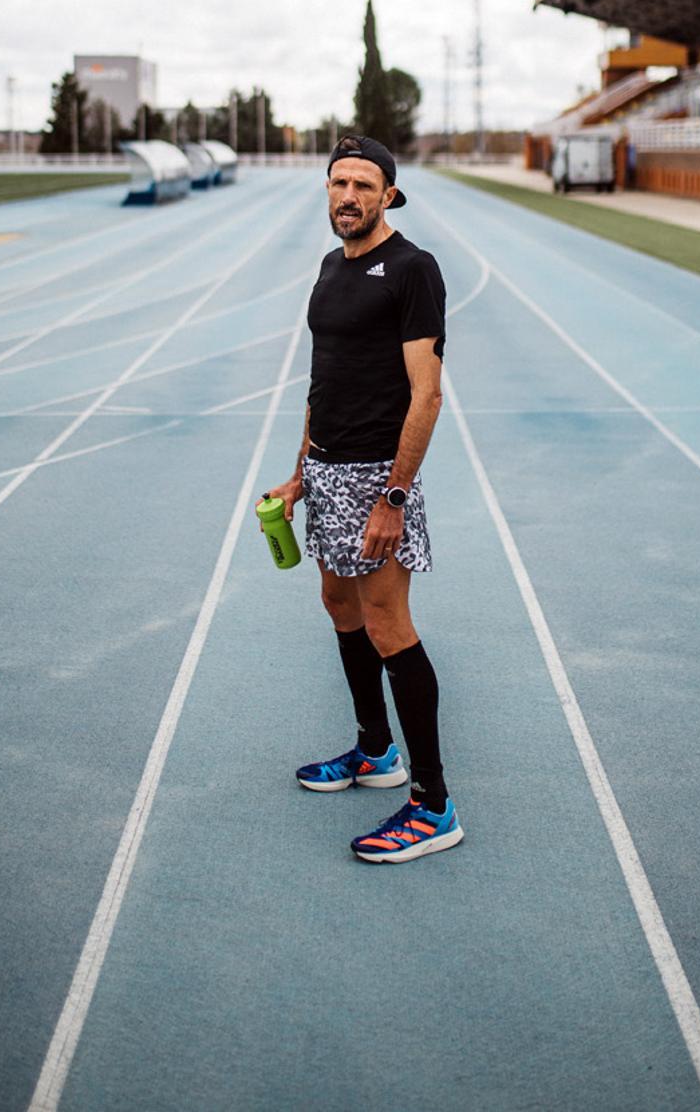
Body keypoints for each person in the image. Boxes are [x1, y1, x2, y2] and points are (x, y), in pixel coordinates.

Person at [265, 134, 463, 863]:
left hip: (378, 476)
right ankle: (375, 752)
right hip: (326, 472)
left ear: (389, 195)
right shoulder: (329, 267)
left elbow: (428, 394)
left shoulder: (413, 270)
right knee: (339, 607)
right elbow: (325, 381)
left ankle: (434, 804)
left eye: (363, 185)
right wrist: (299, 471)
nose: (348, 196)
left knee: (389, 626)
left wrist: (394, 498)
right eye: (338, 183)